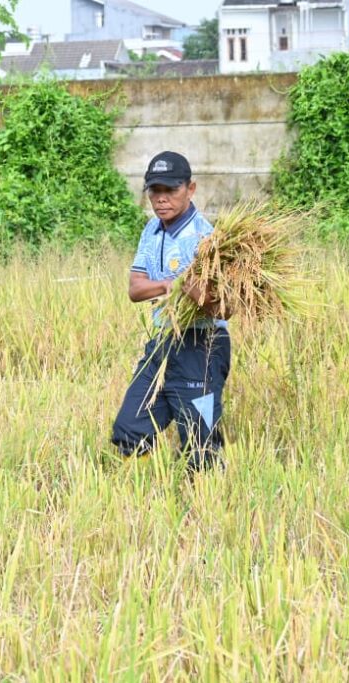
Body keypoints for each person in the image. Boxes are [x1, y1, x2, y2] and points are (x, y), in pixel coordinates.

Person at [111, 152, 231, 472]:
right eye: (155, 191)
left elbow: (226, 307)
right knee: (130, 430)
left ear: (190, 189)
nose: (161, 200)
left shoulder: (207, 239)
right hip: (163, 342)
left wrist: (196, 292)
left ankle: (205, 502)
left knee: (199, 446)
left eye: (171, 191)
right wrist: (172, 285)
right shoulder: (151, 230)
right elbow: (136, 289)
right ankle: (143, 491)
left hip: (202, 346)